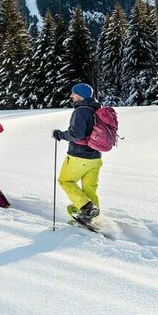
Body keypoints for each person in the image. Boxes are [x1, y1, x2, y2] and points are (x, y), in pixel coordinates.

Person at [53, 82, 103, 224]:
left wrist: (60, 135)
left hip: (79, 156)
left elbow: (77, 134)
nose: (71, 96)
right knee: (89, 189)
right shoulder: (97, 110)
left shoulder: (81, 111)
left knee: (65, 181)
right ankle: (94, 218)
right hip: (96, 157)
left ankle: (86, 208)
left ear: (80, 95)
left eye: (73, 93)